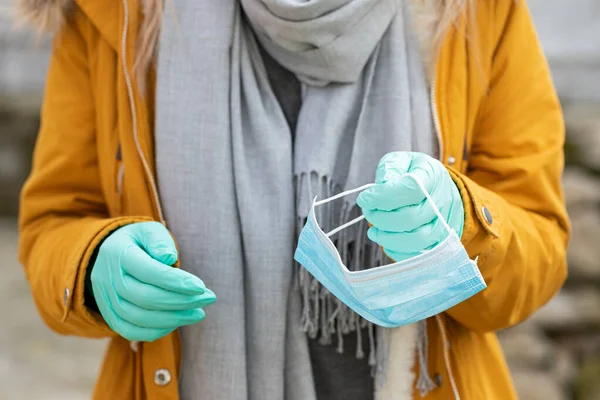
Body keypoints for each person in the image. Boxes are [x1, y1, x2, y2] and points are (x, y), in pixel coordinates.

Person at [17, 0, 570, 399]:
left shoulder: (475, 11)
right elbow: (54, 222)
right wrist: (93, 263)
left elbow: (539, 248)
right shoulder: (115, 14)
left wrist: (466, 225)